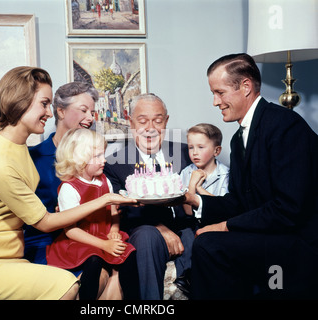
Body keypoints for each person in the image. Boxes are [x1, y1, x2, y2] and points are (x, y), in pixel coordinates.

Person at [0, 66, 137, 300]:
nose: (49, 113)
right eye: (44, 103)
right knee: (66, 285)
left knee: (102, 275)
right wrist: (106, 199)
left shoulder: (17, 146)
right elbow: (45, 223)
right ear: (20, 101)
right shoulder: (1, 163)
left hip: (10, 257)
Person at [184, 53, 318, 299]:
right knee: (205, 240)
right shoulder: (238, 138)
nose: (215, 102)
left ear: (245, 86)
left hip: (297, 242)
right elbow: (239, 201)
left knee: (208, 245)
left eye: (220, 93)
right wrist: (197, 201)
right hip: (269, 236)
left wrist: (225, 226)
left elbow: (289, 209)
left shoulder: (285, 126)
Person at [104, 93, 193, 299]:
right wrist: (160, 228)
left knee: (198, 235)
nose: (150, 128)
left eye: (158, 120)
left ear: (166, 121)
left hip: (184, 225)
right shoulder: (114, 163)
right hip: (144, 229)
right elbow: (122, 212)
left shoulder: (186, 152)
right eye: (142, 121)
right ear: (130, 122)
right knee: (146, 236)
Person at [46, 128, 140, 300]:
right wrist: (104, 245)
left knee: (130, 253)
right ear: (79, 159)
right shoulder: (69, 188)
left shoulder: (105, 181)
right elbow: (70, 231)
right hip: (80, 240)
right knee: (94, 260)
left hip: (105, 235)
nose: (104, 160)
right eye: (97, 156)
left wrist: (114, 229)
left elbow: (113, 212)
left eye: (102, 154)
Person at [24, 81, 98, 265]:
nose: (90, 118)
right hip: (45, 243)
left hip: (90, 240)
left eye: (92, 112)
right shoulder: (33, 158)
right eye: (83, 110)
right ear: (61, 111)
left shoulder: (97, 159)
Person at [174, 123, 229, 294]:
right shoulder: (186, 172)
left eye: (200, 147)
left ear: (216, 151)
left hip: (216, 223)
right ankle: (187, 274)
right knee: (187, 235)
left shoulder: (225, 174)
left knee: (209, 238)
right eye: (191, 147)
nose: (194, 152)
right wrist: (191, 183)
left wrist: (198, 189)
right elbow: (188, 211)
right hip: (191, 222)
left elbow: (222, 207)